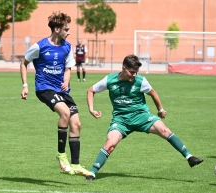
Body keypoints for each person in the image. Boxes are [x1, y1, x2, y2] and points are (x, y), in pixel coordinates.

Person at [85, 54, 203, 182]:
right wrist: (91, 109)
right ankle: (92, 172)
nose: (134, 75)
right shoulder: (110, 79)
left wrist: (160, 110)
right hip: (121, 120)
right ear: (123, 68)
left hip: (142, 116)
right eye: (131, 72)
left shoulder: (140, 81)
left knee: (165, 130)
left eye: (136, 72)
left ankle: (189, 157)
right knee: (110, 143)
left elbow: (153, 93)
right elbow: (91, 90)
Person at [20, 11, 93, 176]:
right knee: (65, 113)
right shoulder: (40, 46)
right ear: (57, 29)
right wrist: (25, 85)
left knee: (77, 124)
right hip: (44, 88)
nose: (69, 32)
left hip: (62, 91)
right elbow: (23, 63)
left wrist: (66, 81)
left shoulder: (67, 47)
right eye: (66, 29)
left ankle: (76, 165)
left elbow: (68, 68)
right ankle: (61, 155)